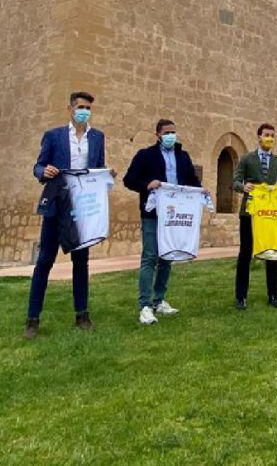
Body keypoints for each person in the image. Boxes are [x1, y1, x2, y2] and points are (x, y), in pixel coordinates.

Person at [24, 91, 111, 339]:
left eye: (88, 108)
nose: (84, 111)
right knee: (44, 262)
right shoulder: (54, 136)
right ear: (70, 109)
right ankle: (32, 320)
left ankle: (82, 315)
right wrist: (45, 170)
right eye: (80, 106)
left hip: (82, 209)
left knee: (81, 263)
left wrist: (106, 174)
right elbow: (37, 166)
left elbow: (98, 167)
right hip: (57, 205)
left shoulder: (97, 138)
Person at [123, 119, 208, 325]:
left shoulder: (183, 156)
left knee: (167, 257)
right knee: (150, 257)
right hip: (153, 215)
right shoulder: (146, 155)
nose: (171, 136)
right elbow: (129, 180)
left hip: (175, 216)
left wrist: (201, 190)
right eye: (167, 132)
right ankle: (145, 305)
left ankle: (159, 300)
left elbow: (191, 180)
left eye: (174, 132)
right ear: (158, 135)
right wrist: (147, 185)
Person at [232, 123, 277, 310]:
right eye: (266, 135)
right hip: (249, 212)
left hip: (270, 214)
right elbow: (235, 181)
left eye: (272, 135)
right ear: (259, 137)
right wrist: (243, 187)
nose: (269, 138)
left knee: (271, 253)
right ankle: (241, 296)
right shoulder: (247, 159)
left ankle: (273, 295)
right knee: (245, 253)